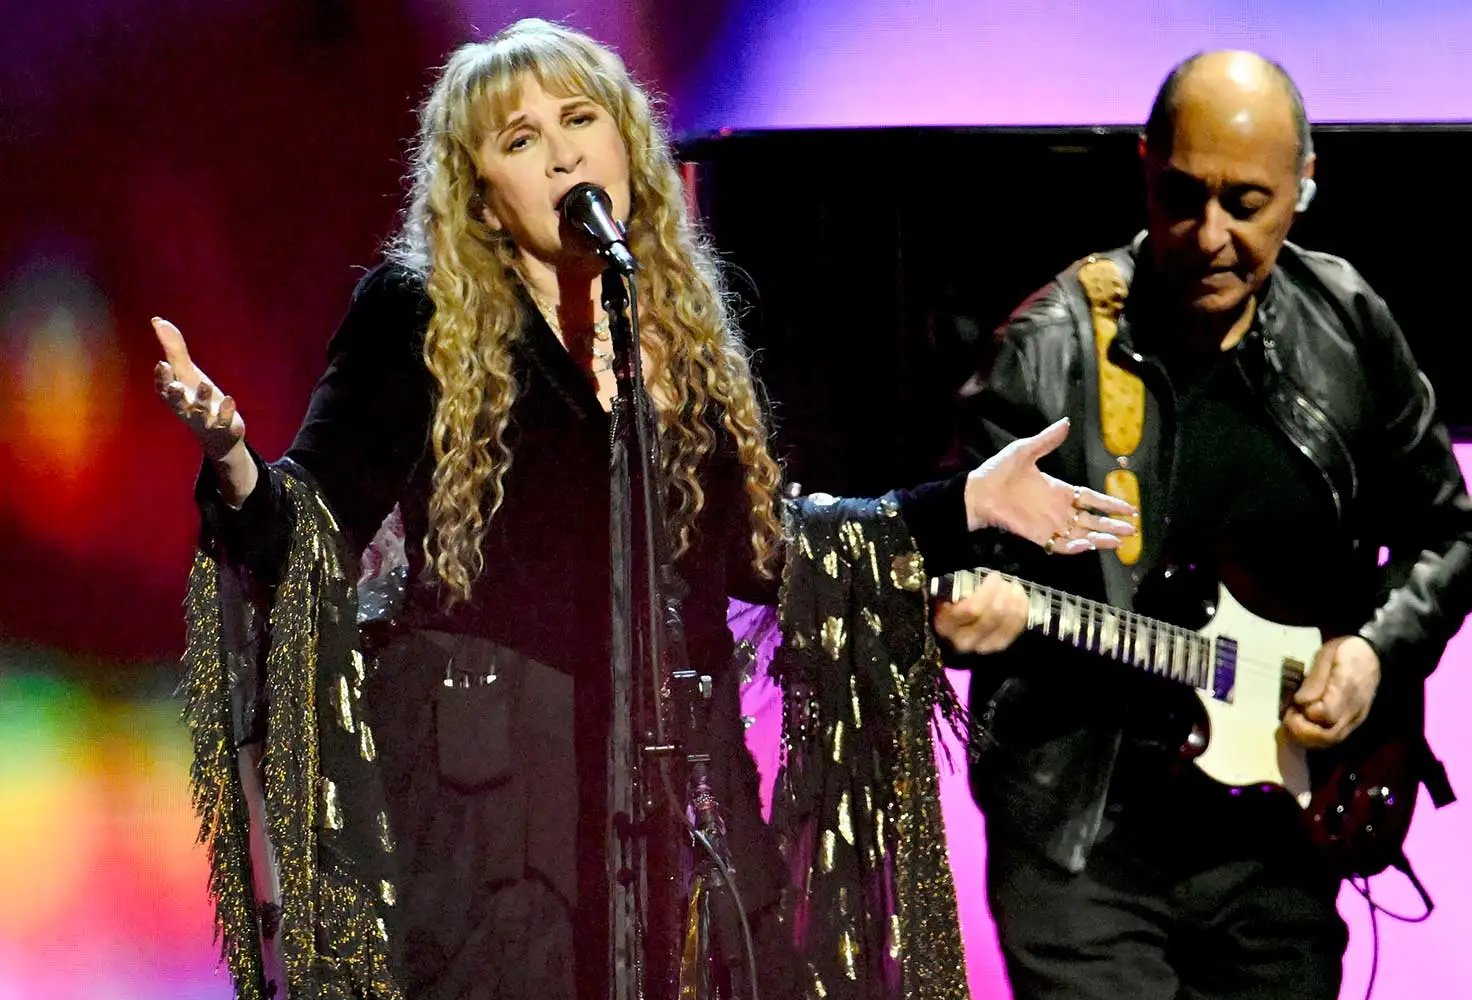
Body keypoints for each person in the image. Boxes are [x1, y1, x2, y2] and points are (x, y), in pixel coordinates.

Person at [150, 19, 1132, 1000]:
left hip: (685, 785)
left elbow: (766, 553)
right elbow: (314, 528)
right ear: (481, 193)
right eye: (519, 139)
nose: (562, 150)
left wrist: (964, 501)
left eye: (580, 119)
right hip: (495, 807)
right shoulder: (419, 314)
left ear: (628, 141)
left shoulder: (674, 326)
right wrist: (235, 461)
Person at [937, 50, 1472, 1000]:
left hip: (1276, 844)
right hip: (1084, 837)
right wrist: (957, 614)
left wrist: (1369, 654)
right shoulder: (1049, 348)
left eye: (1247, 203)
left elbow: (1452, 534)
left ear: (1304, 186)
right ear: (1145, 166)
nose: (1209, 236)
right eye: (1181, 195)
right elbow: (948, 561)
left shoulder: (1347, 322)